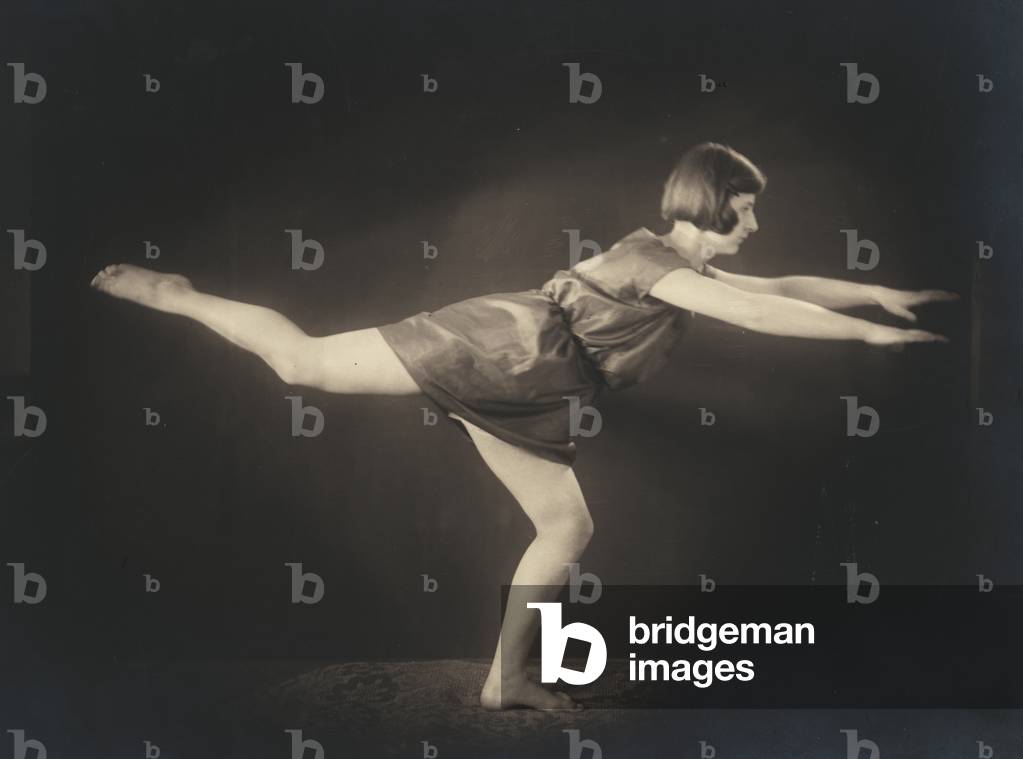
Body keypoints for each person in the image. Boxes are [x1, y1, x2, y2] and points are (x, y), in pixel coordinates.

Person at [89, 142, 957, 711]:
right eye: (748, 208)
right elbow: (758, 321)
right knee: (301, 363)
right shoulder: (654, 260)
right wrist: (871, 334)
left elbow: (778, 293)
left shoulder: (688, 263)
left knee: (567, 525)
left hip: (533, 385)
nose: (757, 223)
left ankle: (504, 678)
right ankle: (180, 295)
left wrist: (875, 293)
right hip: (501, 348)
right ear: (712, 204)